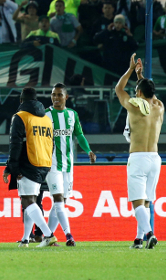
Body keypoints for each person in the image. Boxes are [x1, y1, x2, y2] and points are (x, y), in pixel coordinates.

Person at [115, 54, 164, 249]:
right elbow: (148, 93)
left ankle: (150, 234)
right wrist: (140, 76)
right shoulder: (160, 107)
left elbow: (119, 89)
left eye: (136, 92)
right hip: (155, 159)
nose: (134, 94)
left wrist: (129, 70)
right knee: (146, 202)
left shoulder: (135, 108)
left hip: (138, 158)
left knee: (137, 203)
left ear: (140, 94)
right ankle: (138, 239)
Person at [3, 87, 57, 248]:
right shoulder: (47, 119)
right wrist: (47, 163)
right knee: (29, 200)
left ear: (21, 100)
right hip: (44, 164)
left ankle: (48, 235)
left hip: (28, 163)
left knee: (27, 200)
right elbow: (51, 144)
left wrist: (12, 167)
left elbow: (15, 144)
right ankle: (25, 239)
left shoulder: (20, 117)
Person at [44, 84, 97, 246]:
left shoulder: (72, 115)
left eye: (59, 95)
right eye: (53, 95)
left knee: (61, 203)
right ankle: (69, 235)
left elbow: (79, 135)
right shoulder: (46, 115)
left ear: (66, 97)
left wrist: (88, 150)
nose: (55, 98)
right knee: (59, 200)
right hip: (52, 164)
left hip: (68, 166)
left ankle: (48, 237)